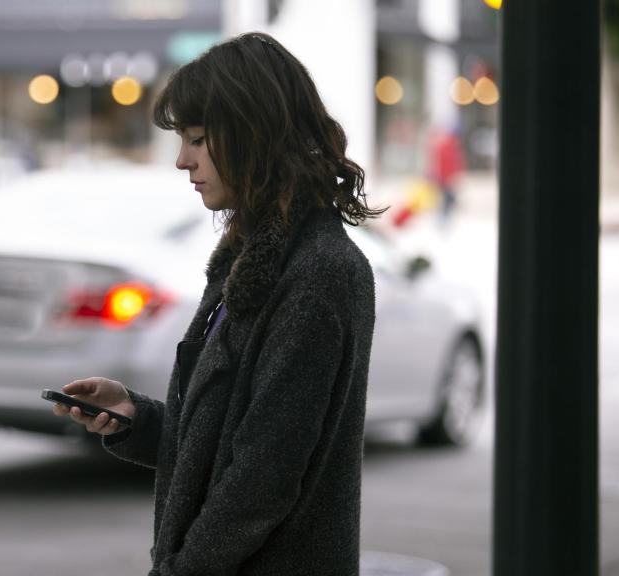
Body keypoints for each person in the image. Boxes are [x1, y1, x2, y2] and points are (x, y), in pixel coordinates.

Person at [53, 32, 381, 575]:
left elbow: (262, 478)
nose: (183, 160)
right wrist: (136, 417)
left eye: (199, 139)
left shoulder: (319, 271)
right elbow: (225, 444)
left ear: (256, 134)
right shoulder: (250, 253)